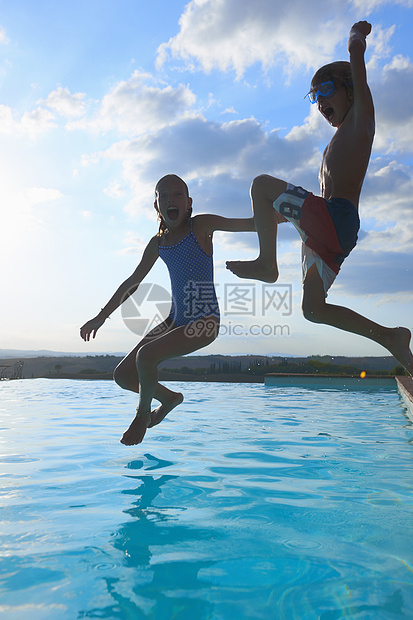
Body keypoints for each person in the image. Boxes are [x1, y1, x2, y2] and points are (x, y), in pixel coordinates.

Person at [226, 21, 413, 376]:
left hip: (336, 218)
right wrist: (224, 227)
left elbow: (356, 55)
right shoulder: (332, 144)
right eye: (315, 97)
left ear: (351, 91)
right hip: (325, 234)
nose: (320, 102)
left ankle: (267, 265)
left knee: (261, 184)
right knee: (313, 309)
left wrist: (356, 36)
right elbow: (278, 216)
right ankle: (390, 338)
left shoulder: (361, 120)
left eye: (326, 90)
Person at [80, 174, 255, 445]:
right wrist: (101, 317)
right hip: (176, 320)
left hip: (205, 321)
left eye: (178, 195)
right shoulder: (158, 244)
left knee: (146, 356)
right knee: (123, 375)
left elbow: (251, 224)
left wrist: (292, 214)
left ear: (189, 203)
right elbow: (132, 282)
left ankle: (141, 416)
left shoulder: (201, 227)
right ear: (156, 206)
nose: (171, 200)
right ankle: (169, 399)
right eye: (164, 196)